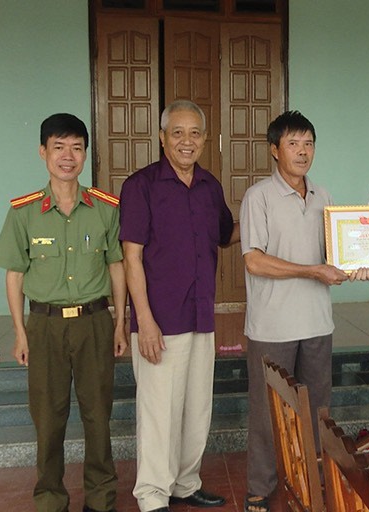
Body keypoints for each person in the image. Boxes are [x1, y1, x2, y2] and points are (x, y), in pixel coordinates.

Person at [0, 113, 127, 512]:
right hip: (45, 327)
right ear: (43, 152)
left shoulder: (105, 208)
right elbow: (15, 276)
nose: (68, 156)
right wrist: (19, 332)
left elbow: (116, 266)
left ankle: (101, 498)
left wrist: (120, 323)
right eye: (59, 147)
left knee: (98, 416)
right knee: (48, 421)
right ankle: (50, 499)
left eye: (76, 148)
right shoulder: (24, 212)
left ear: (85, 154)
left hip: (95, 324)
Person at [240, 110, 369, 512]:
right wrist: (312, 270)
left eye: (309, 143)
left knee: (317, 409)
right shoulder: (258, 197)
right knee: (267, 413)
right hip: (272, 325)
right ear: (274, 150)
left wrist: (360, 263)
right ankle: (260, 486)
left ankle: (313, 478)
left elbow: (335, 255)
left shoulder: (323, 196)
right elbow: (254, 261)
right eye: (293, 143)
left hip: (316, 322)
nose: (302, 151)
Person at [120, 100, 237, 512]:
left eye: (195, 133)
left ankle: (185, 483)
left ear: (205, 139)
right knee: (158, 414)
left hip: (201, 316)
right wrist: (144, 322)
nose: (187, 141)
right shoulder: (141, 186)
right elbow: (131, 257)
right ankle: (152, 494)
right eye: (178, 133)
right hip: (161, 321)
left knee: (195, 408)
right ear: (162, 137)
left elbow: (228, 233)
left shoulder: (210, 186)